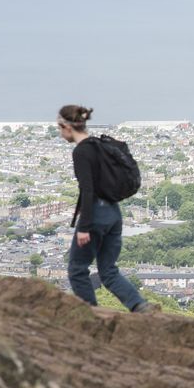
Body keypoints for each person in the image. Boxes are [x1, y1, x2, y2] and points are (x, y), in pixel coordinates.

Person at [58, 105, 155, 313]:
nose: (60, 132)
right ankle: (139, 305)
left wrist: (84, 226)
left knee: (77, 269)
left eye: (60, 127)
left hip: (95, 214)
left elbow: (87, 189)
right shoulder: (101, 146)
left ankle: (90, 314)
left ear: (67, 126)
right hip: (113, 213)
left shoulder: (82, 152)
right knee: (108, 270)